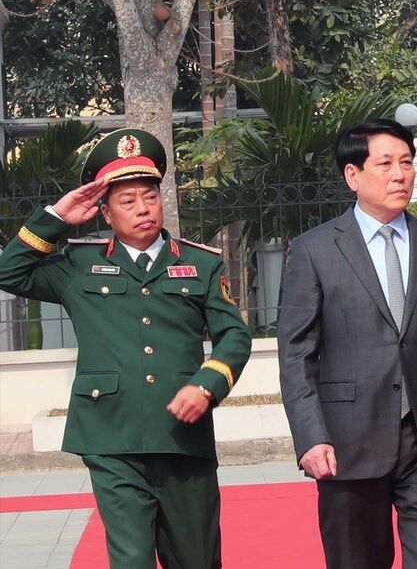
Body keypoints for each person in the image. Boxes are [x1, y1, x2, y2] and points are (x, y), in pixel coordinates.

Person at [0, 128, 252, 569]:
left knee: (196, 559)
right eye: (128, 201)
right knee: (131, 559)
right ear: (105, 211)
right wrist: (57, 217)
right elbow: (9, 272)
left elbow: (234, 335)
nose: (142, 209)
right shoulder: (79, 264)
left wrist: (207, 385)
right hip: (110, 437)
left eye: (150, 197)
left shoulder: (202, 264)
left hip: (182, 438)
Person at [276, 119, 417, 569]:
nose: (399, 175)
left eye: (406, 163)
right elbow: (297, 355)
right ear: (353, 175)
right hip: (348, 442)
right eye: (386, 164)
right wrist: (310, 437)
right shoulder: (315, 250)